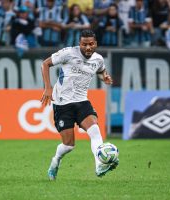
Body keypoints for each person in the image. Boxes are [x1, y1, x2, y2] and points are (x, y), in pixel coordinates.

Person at [40, 29, 118, 180]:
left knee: (95, 131)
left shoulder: (98, 59)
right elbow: (45, 64)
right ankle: (56, 161)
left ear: (96, 44)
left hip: (82, 101)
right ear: (79, 44)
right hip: (63, 103)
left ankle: (99, 165)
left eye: (91, 44)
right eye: (84, 44)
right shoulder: (68, 53)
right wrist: (48, 88)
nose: (88, 47)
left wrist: (105, 77)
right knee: (69, 145)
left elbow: (101, 70)